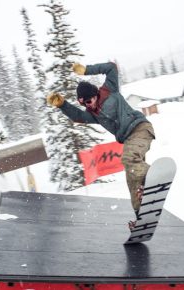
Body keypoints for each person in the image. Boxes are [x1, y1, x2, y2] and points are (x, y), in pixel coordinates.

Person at [47, 62, 155, 227]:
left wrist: (87, 70)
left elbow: (111, 67)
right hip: (129, 139)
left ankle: (152, 178)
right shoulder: (94, 114)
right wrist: (63, 105)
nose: (88, 105)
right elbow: (78, 116)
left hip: (140, 128)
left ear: (95, 94)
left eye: (89, 101)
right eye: (84, 104)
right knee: (132, 180)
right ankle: (142, 219)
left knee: (128, 159)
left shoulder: (109, 89)